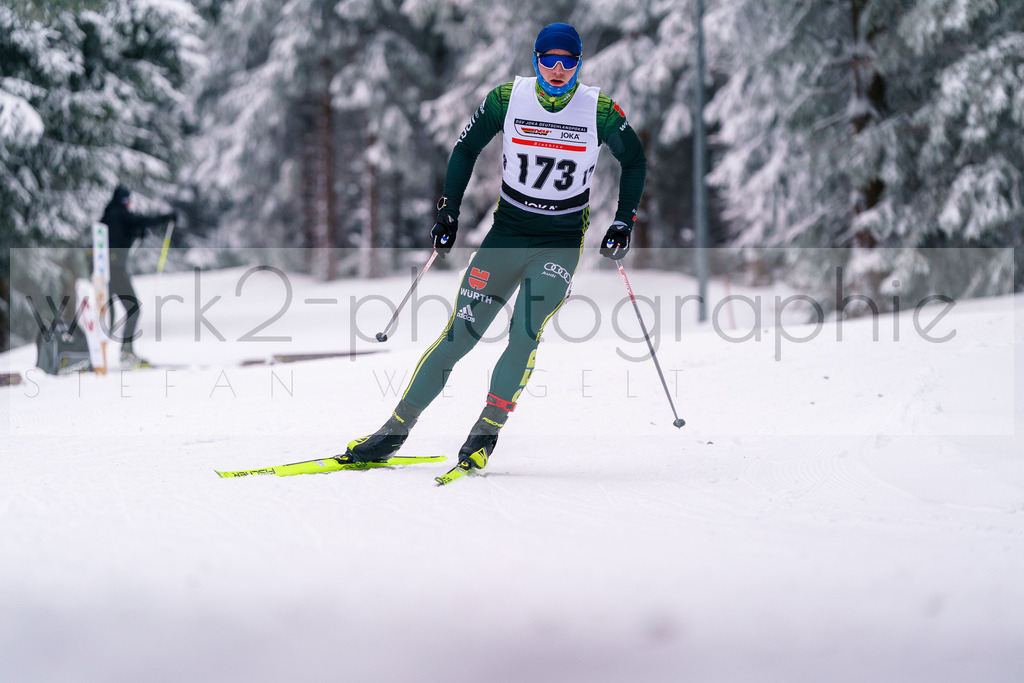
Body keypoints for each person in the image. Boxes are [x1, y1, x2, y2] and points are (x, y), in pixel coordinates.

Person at [341, 22, 646, 474]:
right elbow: (464, 150)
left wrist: (624, 219)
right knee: (457, 337)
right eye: (549, 60)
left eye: (569, 61)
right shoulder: (508, 98)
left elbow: (634, 159)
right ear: (536, 60)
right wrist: (449, 211)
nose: (558, 69)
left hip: (558, 245)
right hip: (505, 237)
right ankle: (394, 430)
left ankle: (486, 431)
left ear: (579, 63)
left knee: (524, 332)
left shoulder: (598, 109)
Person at [99, 185, 176, 367]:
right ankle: (125, 352)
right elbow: (140, 221)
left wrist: (134, 233)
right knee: (132, 309)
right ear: (122, 200)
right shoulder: (119, 213)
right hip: (115, 271)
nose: (128, 204)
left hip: (105, 272)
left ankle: (94, 356)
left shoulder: (109, 216)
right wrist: (165, 218)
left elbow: (121, 234)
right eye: (127, 200)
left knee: (107, 314)